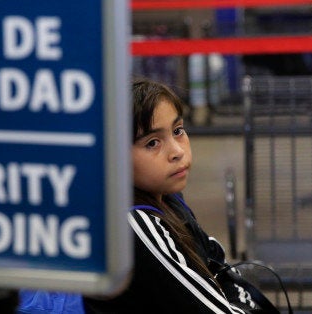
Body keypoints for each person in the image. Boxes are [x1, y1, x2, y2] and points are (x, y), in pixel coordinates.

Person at [83, 78, 278, 313]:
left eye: (178, 131)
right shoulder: (135, 227)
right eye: (152, 143)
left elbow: (219, 266)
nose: (177, 151)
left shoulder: (169, 200)